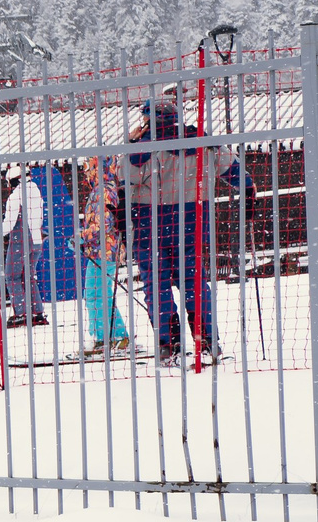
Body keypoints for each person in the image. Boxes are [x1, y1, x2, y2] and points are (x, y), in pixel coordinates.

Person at [119, 98, 214, 358]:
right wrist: (247, 188)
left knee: (156, 284)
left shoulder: (141, 149)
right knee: (193, 281)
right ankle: (205, 339)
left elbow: (124, 178)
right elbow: (231, 166)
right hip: (189, 221)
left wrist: (129, 145)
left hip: (149, 225)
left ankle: (167, 342)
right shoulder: (197, 139)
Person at [74, 158, 132, 354]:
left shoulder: (104, 191)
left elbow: (103, 224)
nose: (86, 173)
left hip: (104, 251)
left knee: (98, 295)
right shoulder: (101, 190)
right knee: (95, 294)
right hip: (100, 250)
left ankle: (113, 336)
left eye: (89, 169)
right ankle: (107, 336)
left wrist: (80, 238)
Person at [0, 166, 50, 327]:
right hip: (36, 241)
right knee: (29, 276)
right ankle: (37, 312)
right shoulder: (36, 192)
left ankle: (21, 313)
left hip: (20, 240)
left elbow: (9, 223)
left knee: (12, 276)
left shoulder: (16, 195)